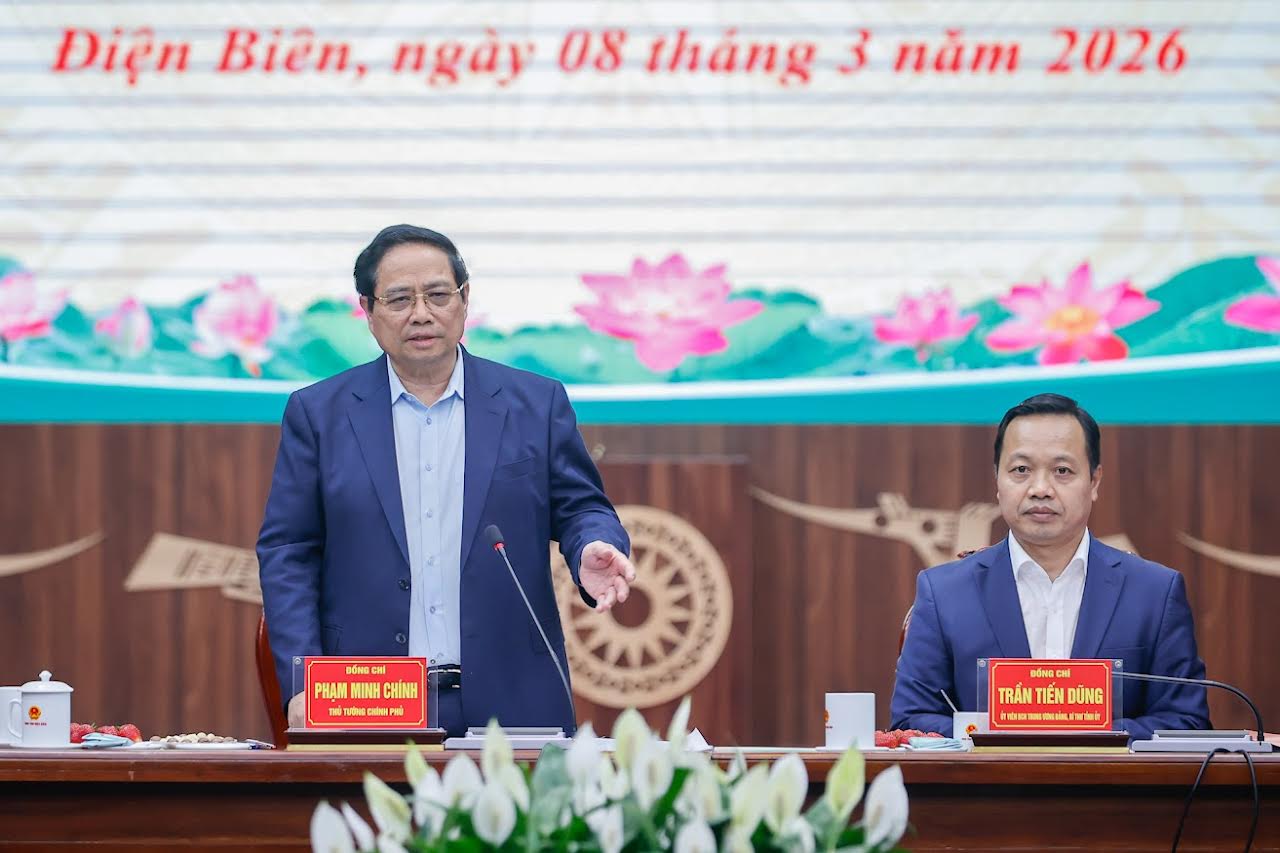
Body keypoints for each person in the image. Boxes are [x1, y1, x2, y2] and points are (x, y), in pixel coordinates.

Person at [257, 224, 636, 736]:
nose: (421, 313)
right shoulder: (319, 413)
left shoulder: (535, 403)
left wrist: (592, 543)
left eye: (438, 295)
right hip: (367, 695)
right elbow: (288, 551)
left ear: (464, 299)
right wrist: (302, 681)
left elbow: (581, 507)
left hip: (513, 693)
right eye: (399, 299)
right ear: (367, 310)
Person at [890, 393, 1210, 741]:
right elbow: (910, 721)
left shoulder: (1154, 593)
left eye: (1062, 471)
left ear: (1095, 482)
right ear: (997, 480)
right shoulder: (945, 593)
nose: (1040, 489)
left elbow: (1186, 723)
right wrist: (995, 733)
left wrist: (1081, 734)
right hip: (989, 779)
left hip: (1110, 779)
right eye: (1021, 470)